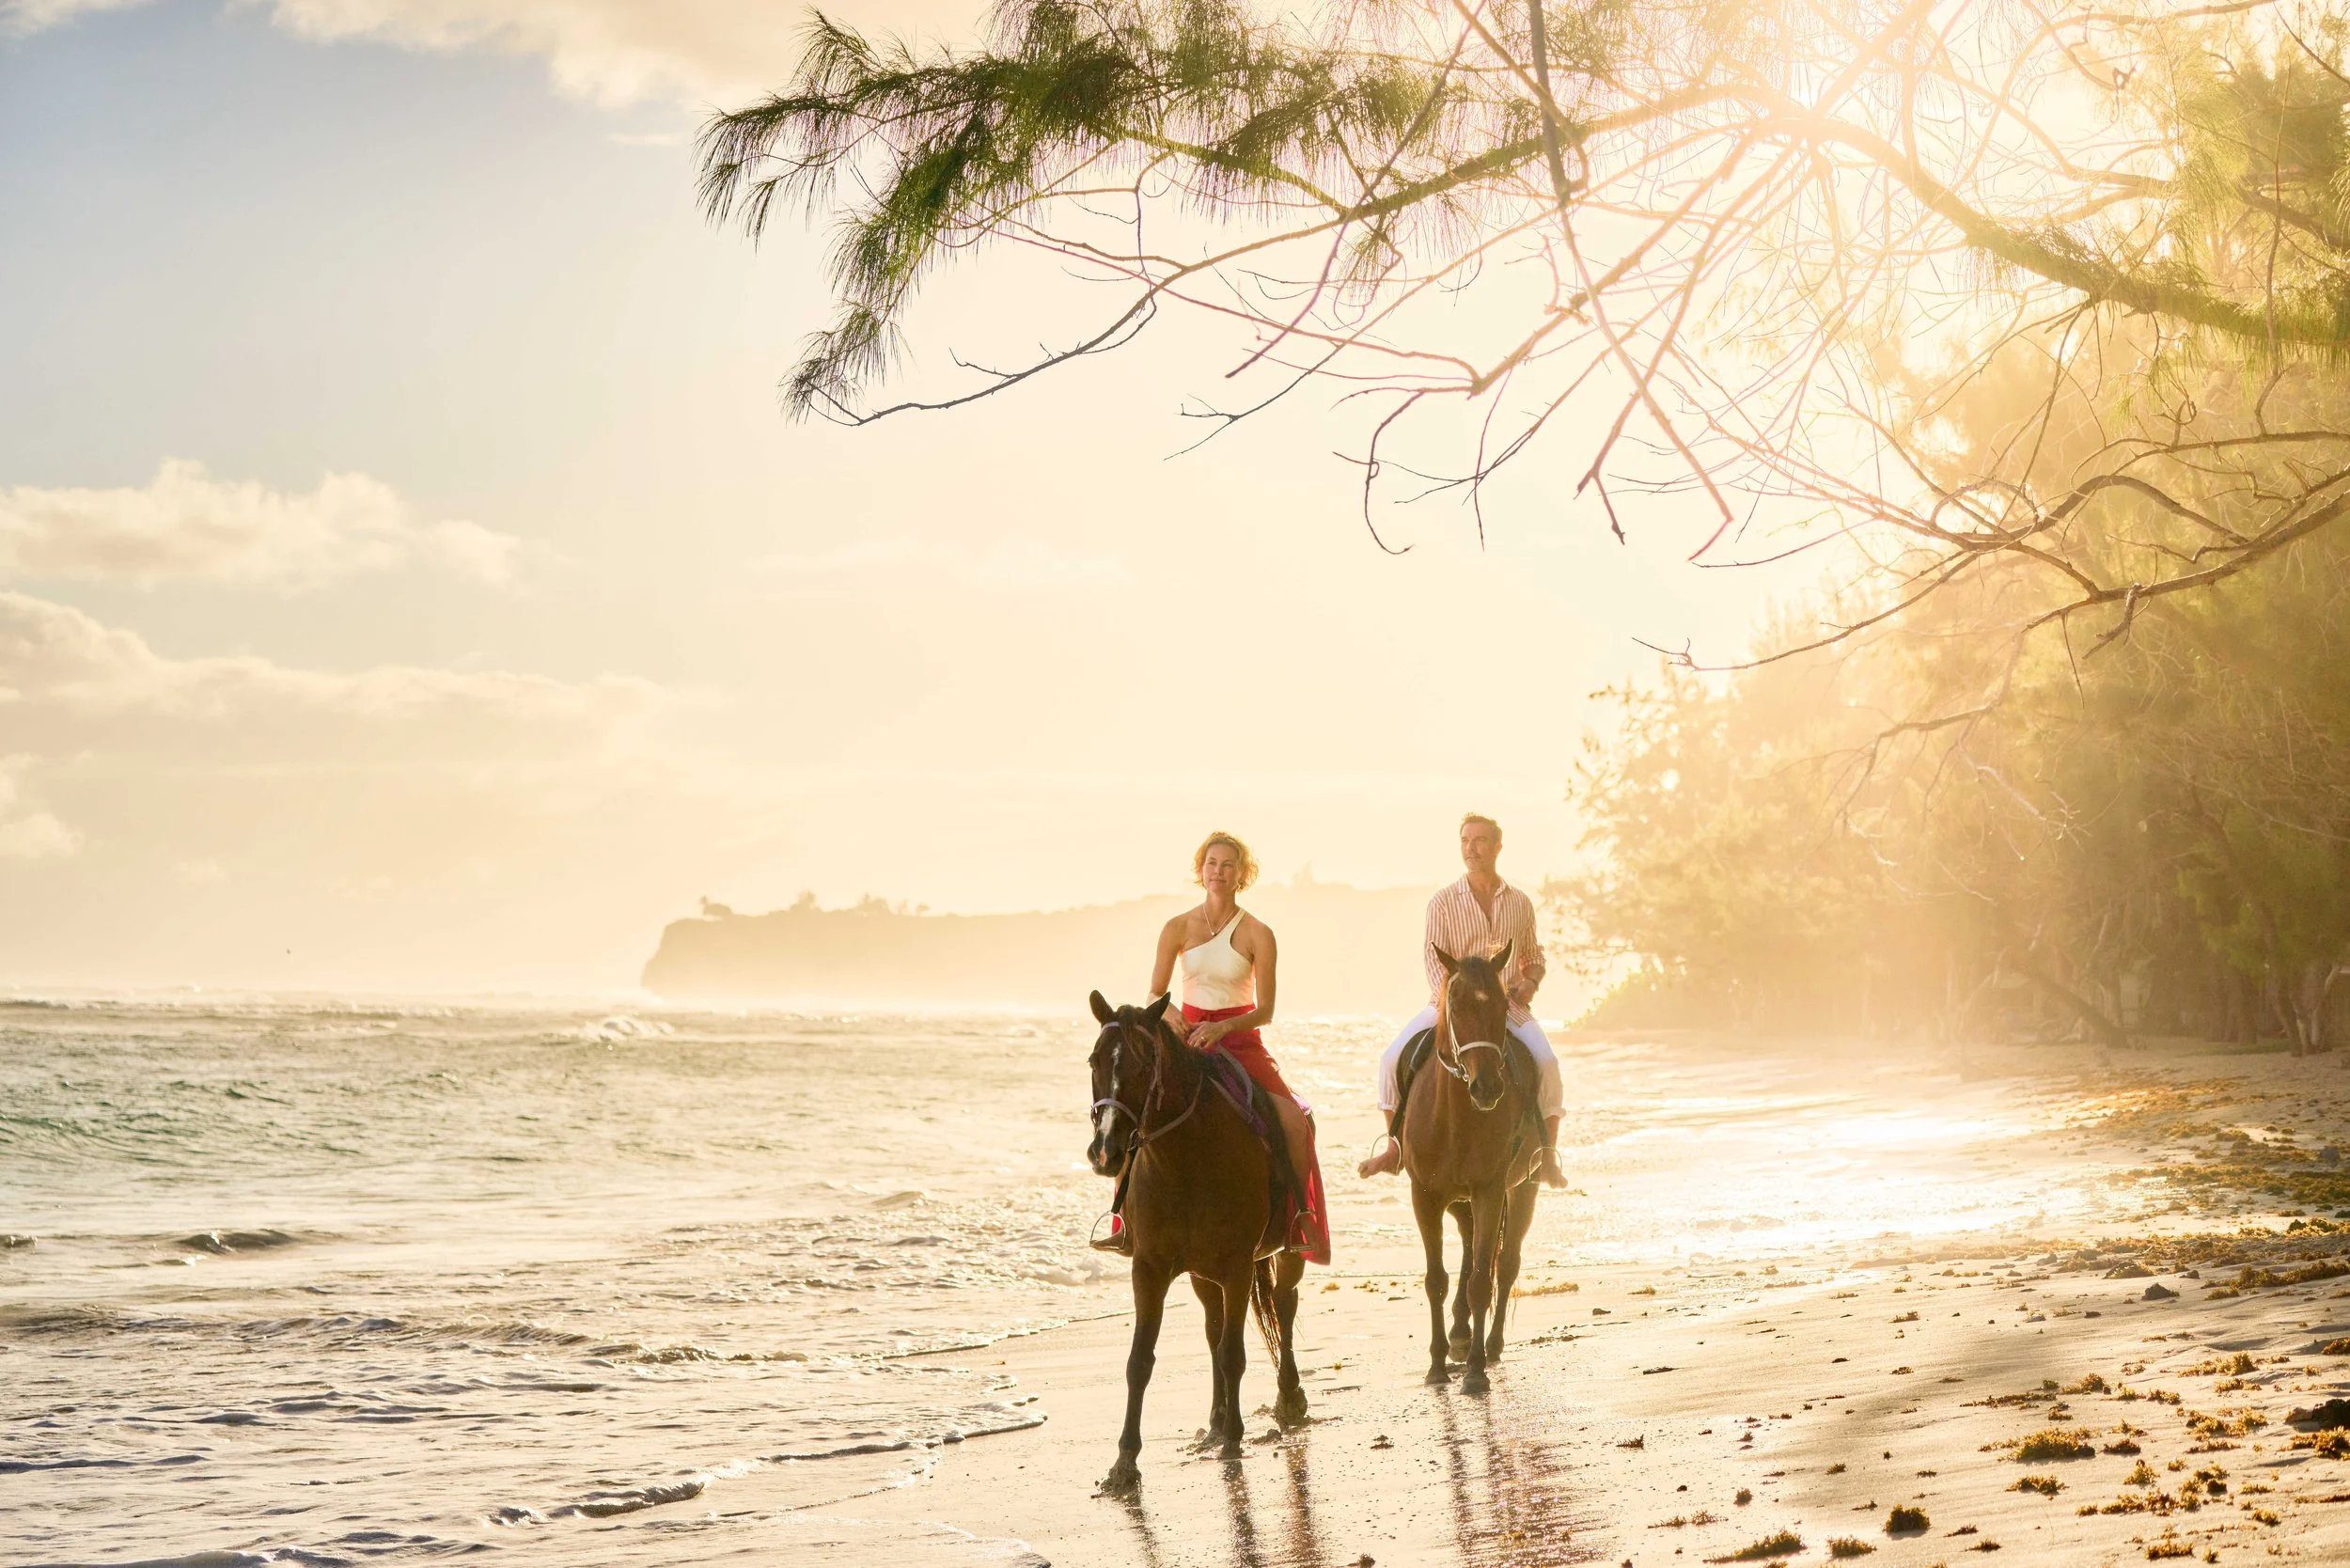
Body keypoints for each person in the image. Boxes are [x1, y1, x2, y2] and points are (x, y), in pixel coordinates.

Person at [1093, 831, 1331, 1262]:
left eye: (1228, 865)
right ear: (1200, 870)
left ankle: (1299, 1221)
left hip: (1239, 1040)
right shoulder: (1177, 927)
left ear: (1242, 874)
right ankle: (1124, 1223)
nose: (1218, 872)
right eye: (1211, 863)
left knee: (1295, 1123)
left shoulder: (1259, 932)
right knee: (1136, 1113)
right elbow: (1154, 993)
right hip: (1183, 1038)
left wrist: (1222, 1030)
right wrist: (1173, 1018)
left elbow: (1267, 1010)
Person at [1357, 813, 1567, 1188]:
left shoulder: (1519, 902)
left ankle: (1547, 1156)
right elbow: (1434, 963)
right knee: (1390, 1060)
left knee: (1548, 1064)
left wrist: (1530, 984)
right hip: (1453, 1009)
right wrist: (1454, 1006)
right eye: (1465, 841)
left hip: (1506, 1007)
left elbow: (1533, 957)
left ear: (1498, 847)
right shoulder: (1442, 902)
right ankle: (1394, 1150)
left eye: (1480, 841)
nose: (1471, 849)